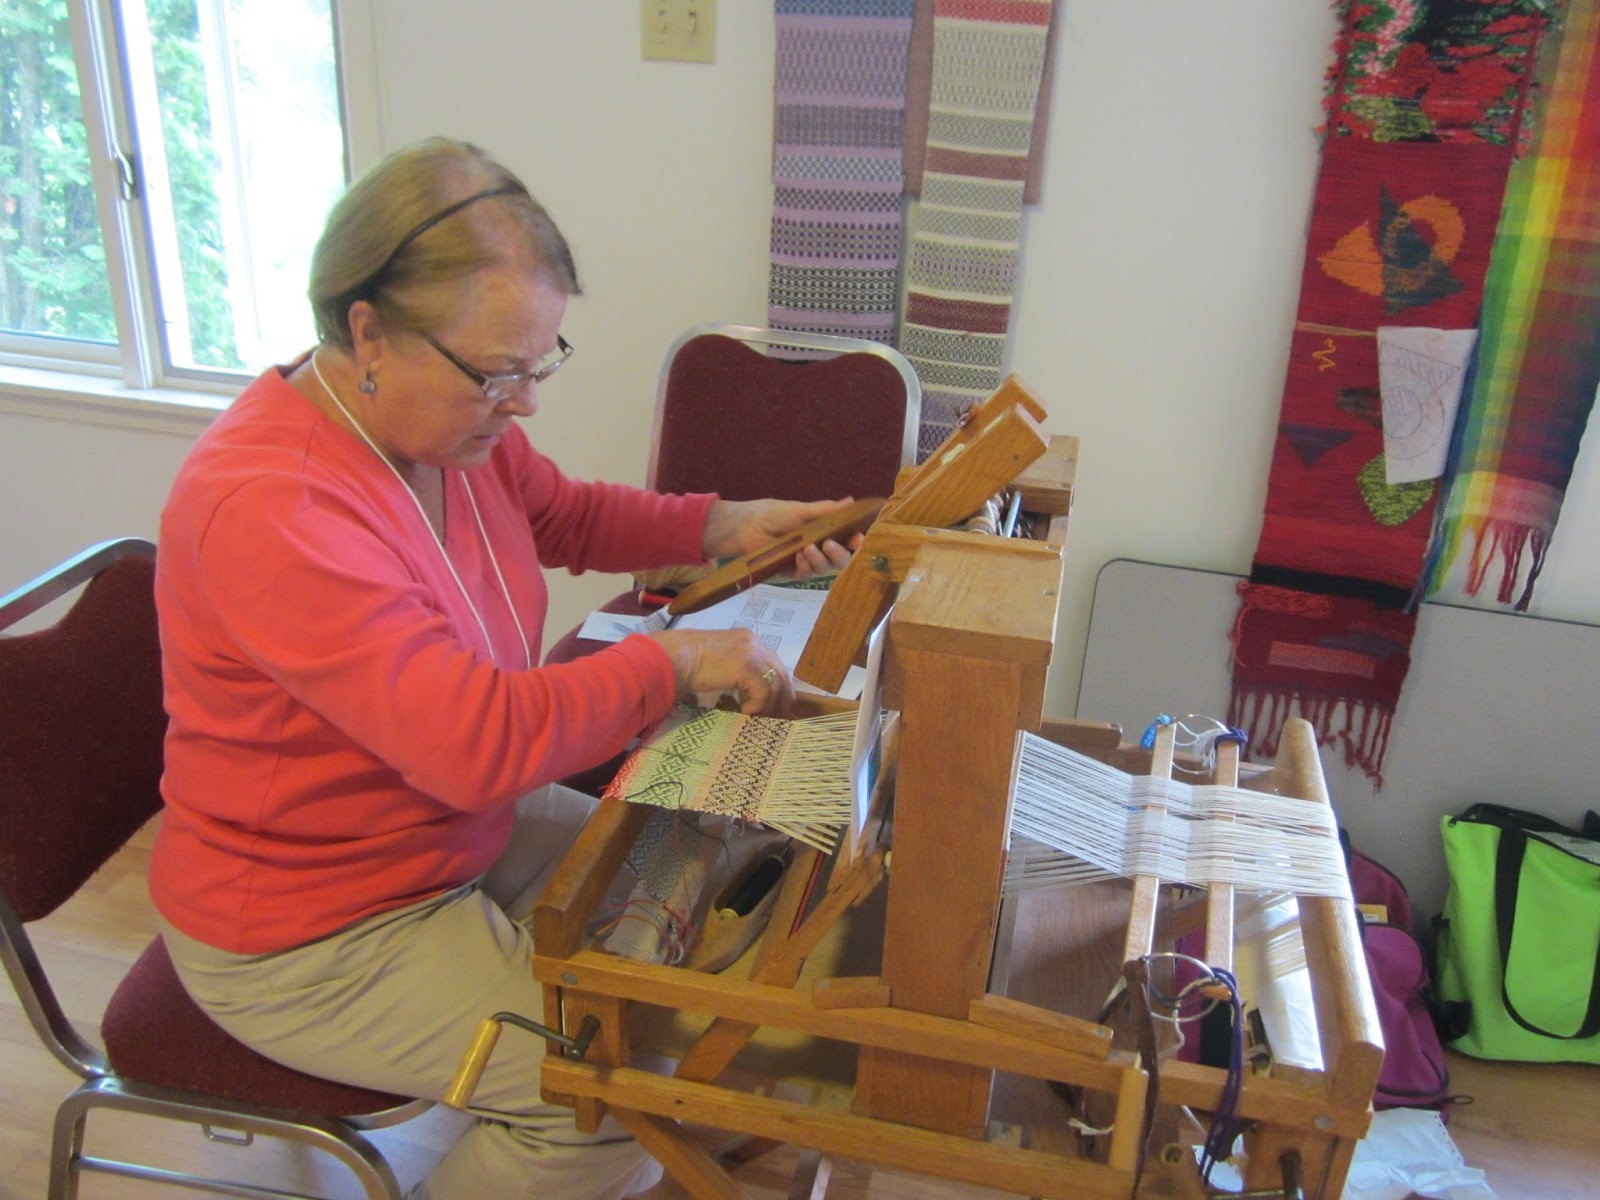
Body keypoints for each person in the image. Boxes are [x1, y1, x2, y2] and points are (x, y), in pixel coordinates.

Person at [149, 136, 861, 1200]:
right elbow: (472, 744)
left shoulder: (447, 432)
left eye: (541, 364)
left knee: (708, 852)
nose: (523, 401)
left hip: (439, 845)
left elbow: (564, 510)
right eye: (498, 372)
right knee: (600, 1092)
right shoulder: (276, 507)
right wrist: (669, 668)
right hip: (312, 926)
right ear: (368, 332)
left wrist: (727, 524)